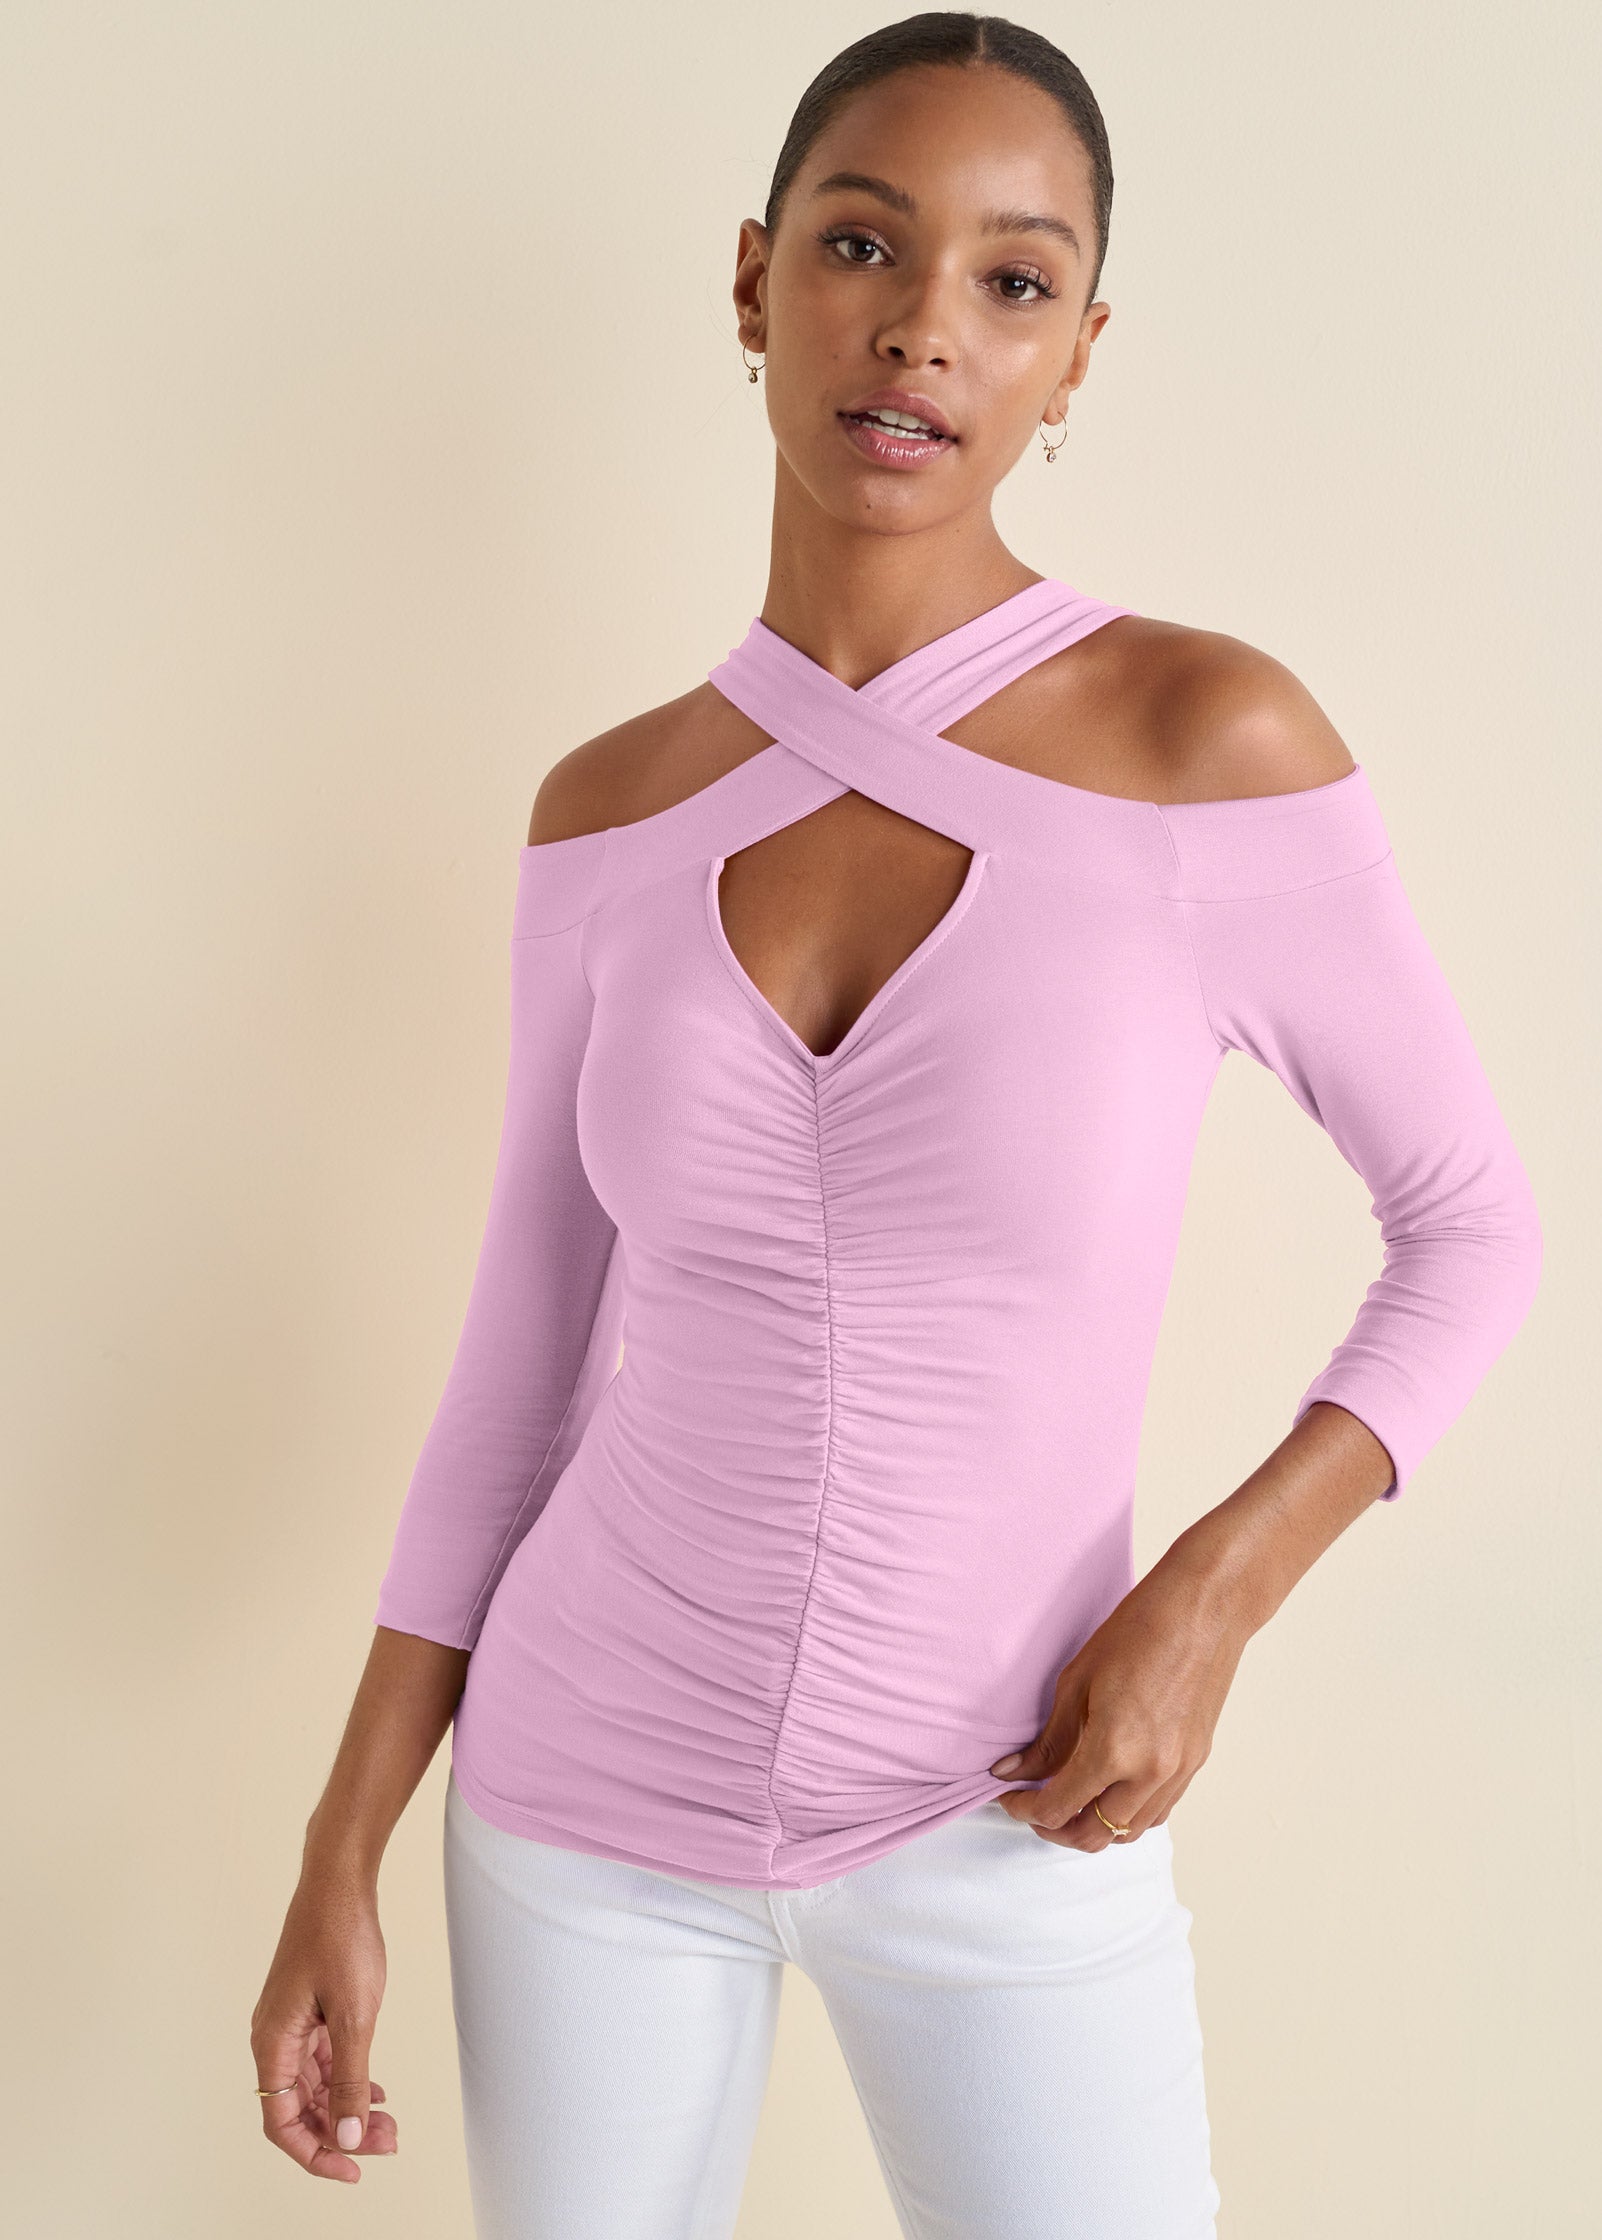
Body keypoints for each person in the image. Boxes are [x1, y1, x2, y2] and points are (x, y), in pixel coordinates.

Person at [250, 15, 1543, 2236]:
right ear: (756, 281)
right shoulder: (605, 812)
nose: (925, 325)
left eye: (1012, 280)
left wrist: (1209, 1598)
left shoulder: (1204, 741)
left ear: (1077, 354)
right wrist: (339, 1844)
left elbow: (1472, 1224)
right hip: (576, 1809)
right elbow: (522, 1366)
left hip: (1007, 1803)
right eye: (863, 244)